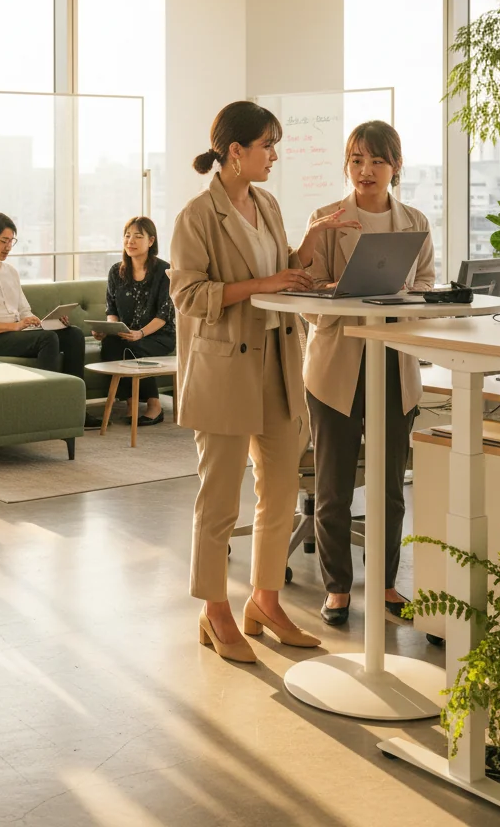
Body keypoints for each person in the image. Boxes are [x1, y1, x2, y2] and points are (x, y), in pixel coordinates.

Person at [170, 100, 359, 664]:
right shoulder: (196, 217)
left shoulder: (270, 205)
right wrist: (264, 282)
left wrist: (311, 244)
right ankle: (214, 610)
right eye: (267, 146)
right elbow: (187, 295)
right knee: (220, 502)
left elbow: (282, 274)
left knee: (277, 492)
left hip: (280, 364)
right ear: (235, 152)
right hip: (224, 370)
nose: (274, 156)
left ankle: (265, 601)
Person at [304, 120, 435, 626]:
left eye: (377, 161)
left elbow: (425, 284)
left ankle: (383, 584)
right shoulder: (326, 218)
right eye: (357, 160)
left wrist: (402, 298)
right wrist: (341, 292)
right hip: (337, 365)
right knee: (334, 487)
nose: (366, 170)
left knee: (389, 489)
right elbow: (305, 294)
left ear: (395, 167)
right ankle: (337, 588)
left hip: (393, 364)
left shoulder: (415, 221)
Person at [0, 213, 101, 428]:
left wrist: (44, 321)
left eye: (11, 241)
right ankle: (47, 411)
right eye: (3, 241)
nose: (8, 247)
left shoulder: (10, 272)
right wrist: (13, 326)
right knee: (48, 339)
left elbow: (23, 310)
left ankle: (75, 407)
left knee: (73, 334)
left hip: (15, 333)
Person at [95, 216, 175, 426]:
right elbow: (111, 308)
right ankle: (131, 404)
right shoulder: (116, 271)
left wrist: (140, 333)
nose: (130, 241)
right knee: (111, 344)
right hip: (126, 333)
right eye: (127, 236)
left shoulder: (164, 271)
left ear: (151, 241)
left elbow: (164, 315)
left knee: (135, 347)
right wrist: (109, 328)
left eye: (138, 236)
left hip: (159, 334)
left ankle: (154, 406)